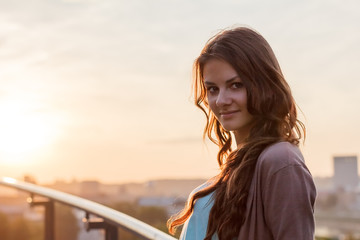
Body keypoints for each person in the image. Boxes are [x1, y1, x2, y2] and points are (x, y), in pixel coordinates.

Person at [167, 26, 316, 240]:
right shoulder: (241, 163)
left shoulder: (282, 162)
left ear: (263, 86)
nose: (221, 101)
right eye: (212, 89)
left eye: (236, 85)